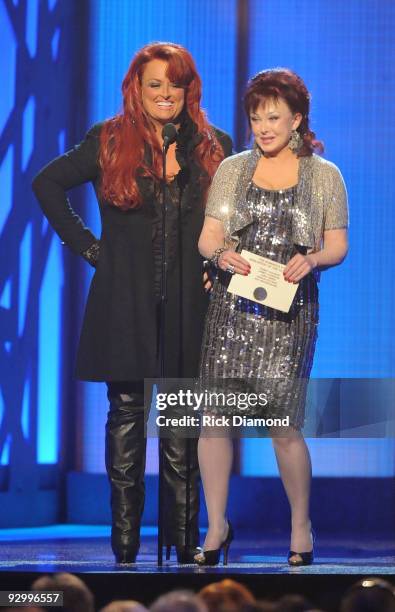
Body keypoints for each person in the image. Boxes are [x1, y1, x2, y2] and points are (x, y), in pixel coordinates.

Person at [32, 42, 232, 564]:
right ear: (136, 89)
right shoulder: (108, 139)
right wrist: (91, 249)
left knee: (180, 424)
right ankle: (124, 547)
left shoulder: (214, 146)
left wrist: (218, 265)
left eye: (176, 84)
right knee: (125, 417)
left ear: (190, 89)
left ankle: (185, 543)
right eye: (155, 84)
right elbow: (47, 183)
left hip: (190, 302)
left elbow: (233, 220)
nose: (166, 94)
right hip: (125, 300)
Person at [194, 68, 348, 566]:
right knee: (214, 419)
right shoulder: (232, 169)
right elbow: (208, 236)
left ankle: (300, 525)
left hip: (289, 313)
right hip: (231, 307)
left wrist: (314, 259)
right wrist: (220, 257)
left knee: (283, 425)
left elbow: (338, 246)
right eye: (256, 117)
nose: (264, 126)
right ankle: (216, 527)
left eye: (274, 117)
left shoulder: (324, 175)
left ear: (297, 119)